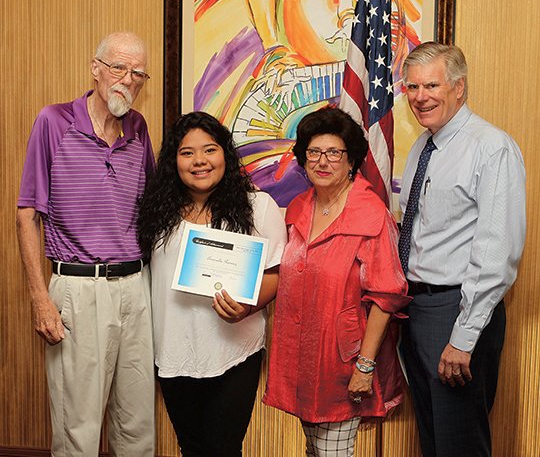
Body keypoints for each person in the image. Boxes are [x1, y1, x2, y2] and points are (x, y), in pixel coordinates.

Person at [16, 32, 155, 456]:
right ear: (95, 68)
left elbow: (155, 206)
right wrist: (41, 299)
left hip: (135, 287)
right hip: (77, 288)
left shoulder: (139, 128)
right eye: (118, 68)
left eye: (138, 73)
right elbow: (26, 214)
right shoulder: (53, 121)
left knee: (137, 426)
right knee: (78, 428)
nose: (128, 80)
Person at [398, 42, 526, 457]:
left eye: (432, 84)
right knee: (434, 442)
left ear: (459, 88)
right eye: (412, 86)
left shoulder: (491, 147)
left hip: (458, 312)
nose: (420, 96)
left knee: (460, 445)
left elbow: (496, 253)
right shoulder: (423, 146)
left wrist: (464, 336)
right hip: (417, 309)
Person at [137, 111, 287, 457]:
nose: (199, 161)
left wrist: (248, 306)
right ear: (174, 161)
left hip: (234, 353)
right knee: (190, 447)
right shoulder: (157, 213)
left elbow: (278, 273)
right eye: (187, 153)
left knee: (223, 449)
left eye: (210, 150)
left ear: (225, 155)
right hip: (173, 353)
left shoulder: (257, 207)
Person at [263, 106, 410, 457]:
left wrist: (365, 366)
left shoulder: (371, 215)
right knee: (315, 451)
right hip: (301, 358)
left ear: (351, 161)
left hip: (344, 365)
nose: (322, 161)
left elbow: (387, 296)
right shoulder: (298, 208)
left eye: (334, 153)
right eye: (314, 152)